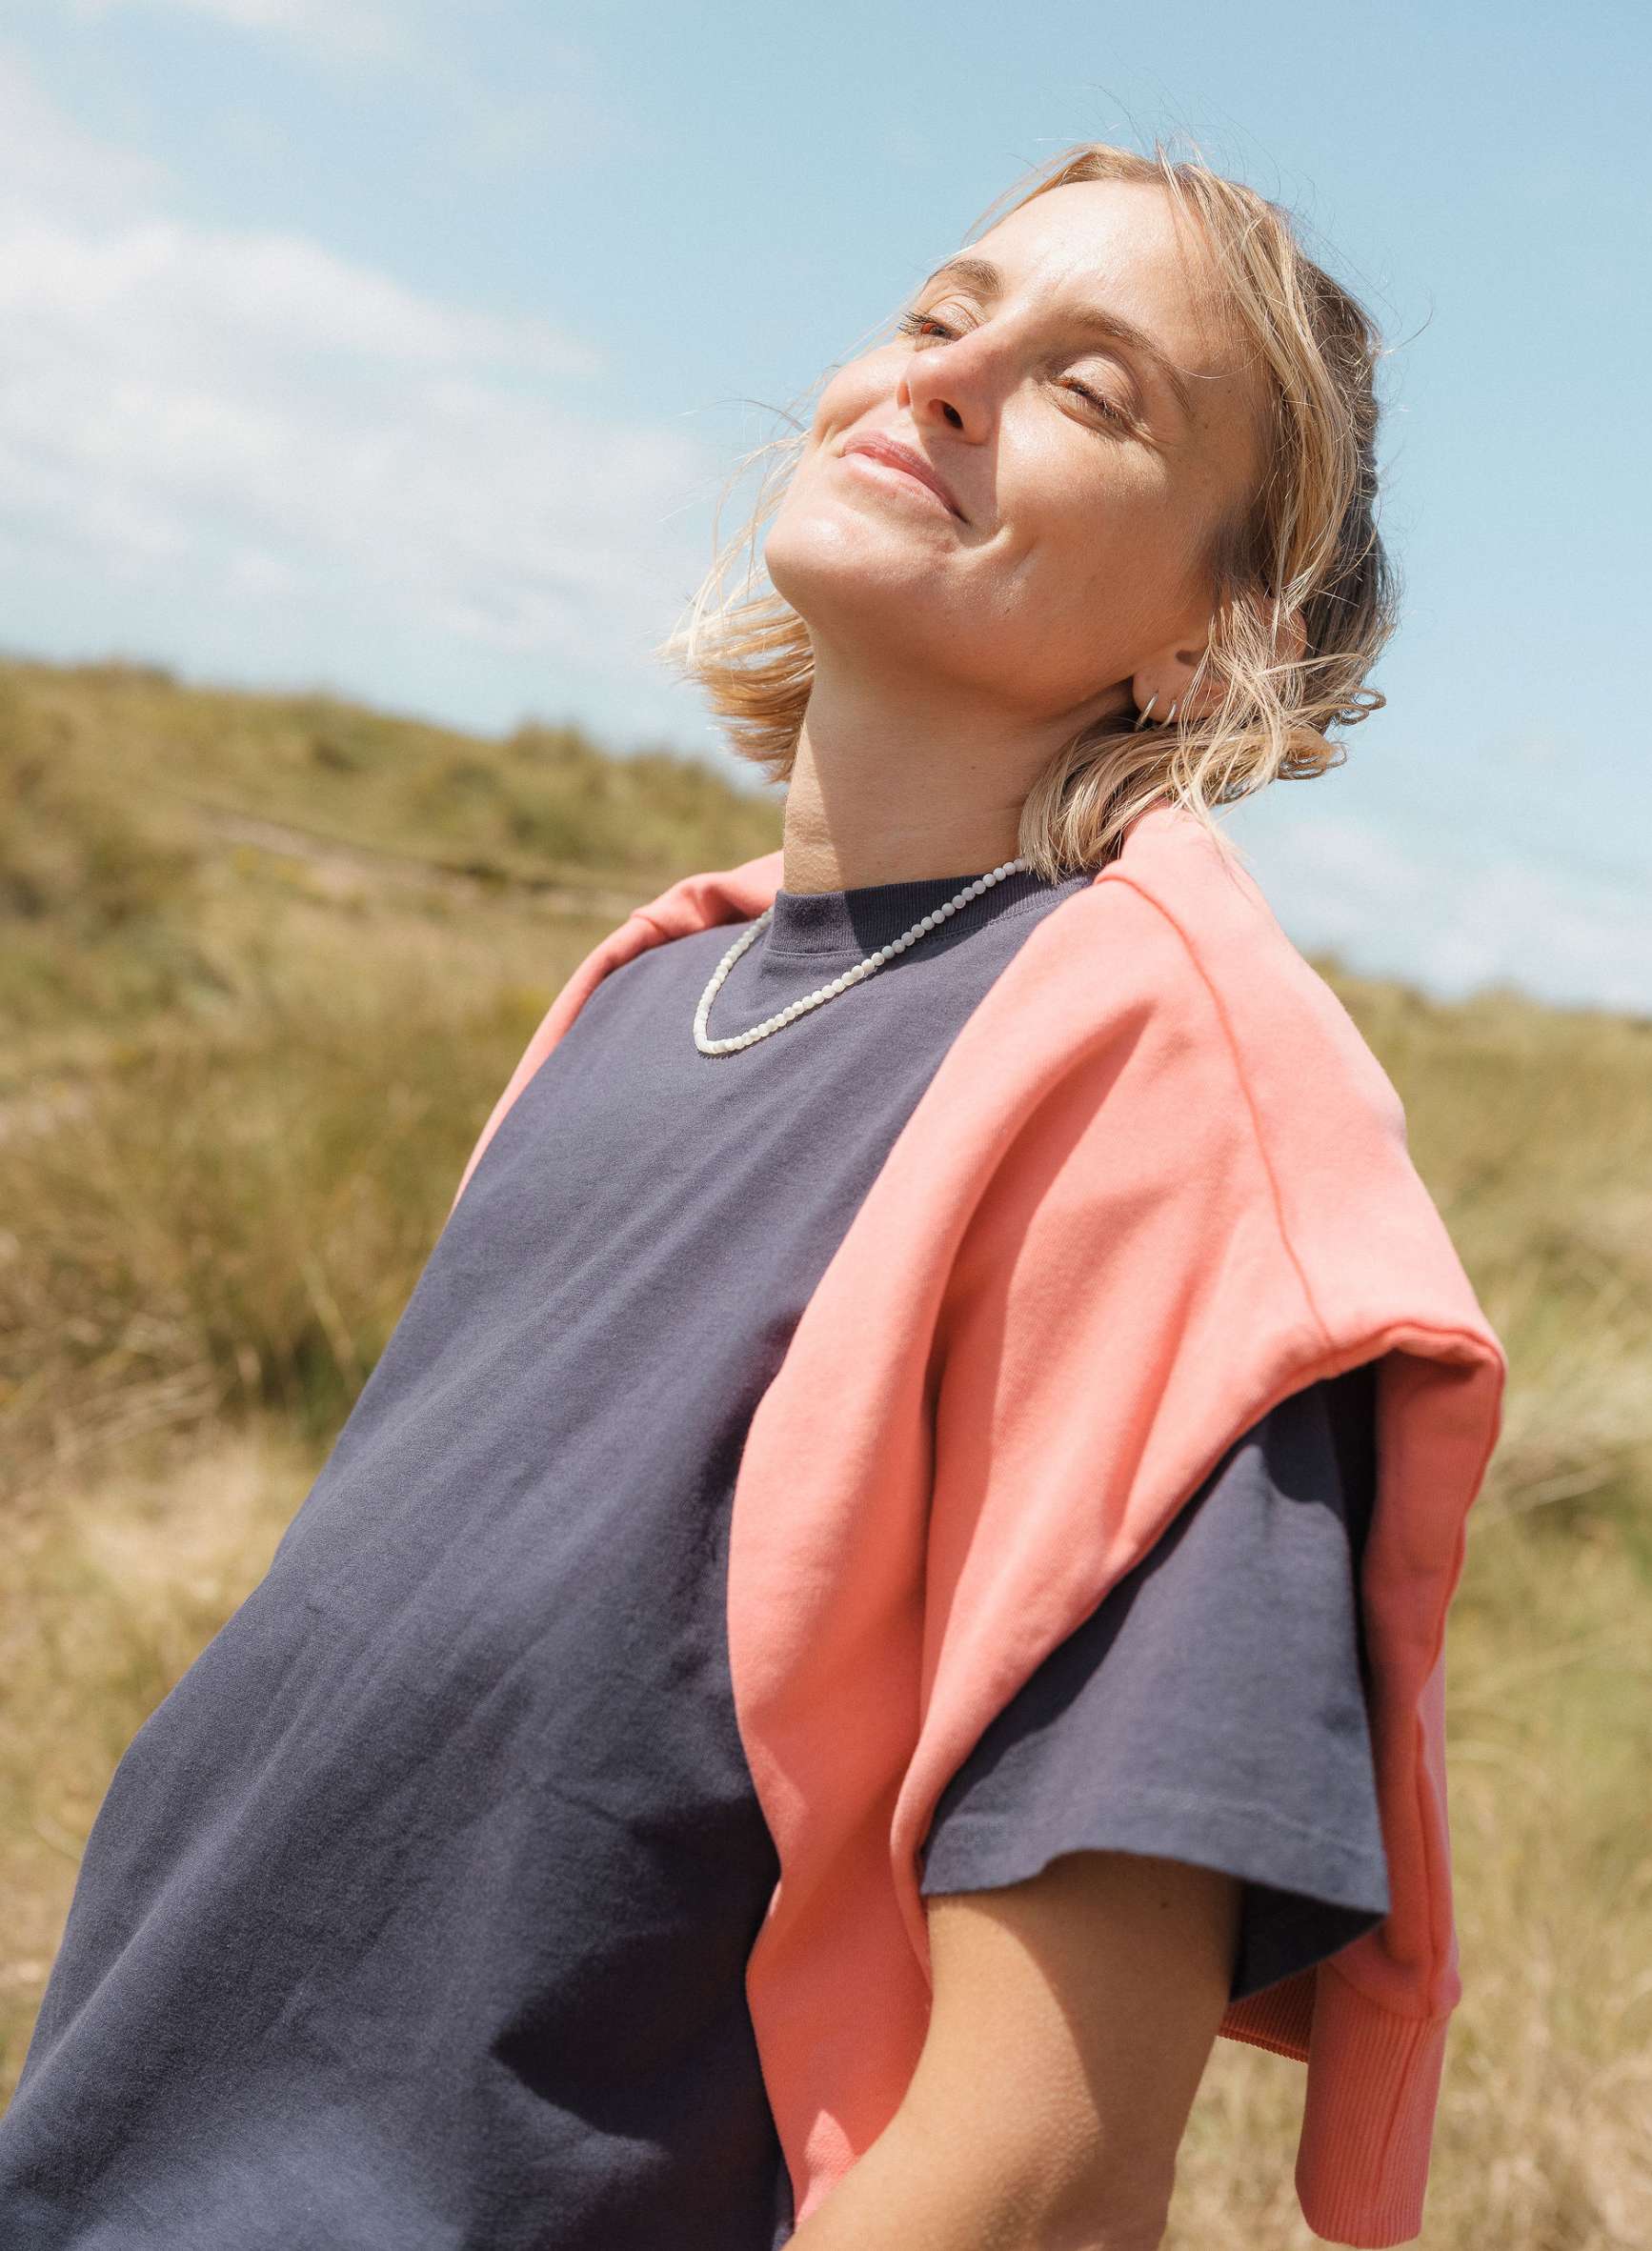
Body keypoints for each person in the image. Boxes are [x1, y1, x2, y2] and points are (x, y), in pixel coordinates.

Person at [0, 138, 1506, 2250]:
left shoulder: (1160, 1110)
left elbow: (1043, 2166)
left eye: (1096, 391)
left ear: (1211, 644)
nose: (956, 376)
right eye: (944, 310)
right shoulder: (653, 988)